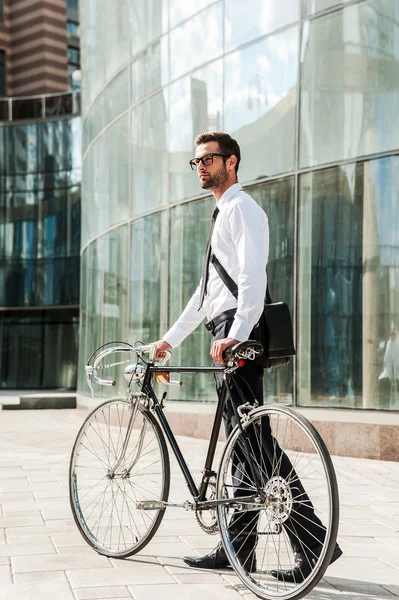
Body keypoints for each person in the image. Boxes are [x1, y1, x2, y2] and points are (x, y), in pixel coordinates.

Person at [152, 132, 342, 581]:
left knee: (254, 440)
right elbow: (205, 295)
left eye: (208, 159)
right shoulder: (222, 216)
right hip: (227, 327)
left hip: (240, 328)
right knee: (245, 441)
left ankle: (315, 543)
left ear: (231, 162)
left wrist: (235, 335)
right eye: (195, 161)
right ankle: (237, 547)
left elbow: (252, 280)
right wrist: (168, 341)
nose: (200, 166)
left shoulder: (242, 209)